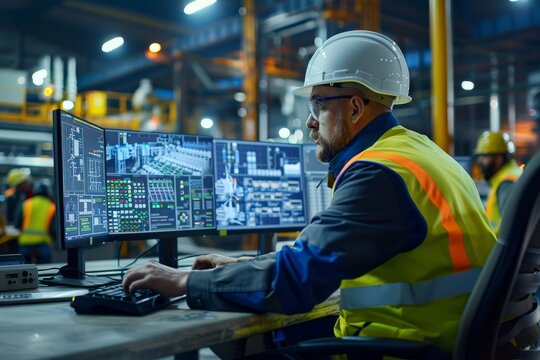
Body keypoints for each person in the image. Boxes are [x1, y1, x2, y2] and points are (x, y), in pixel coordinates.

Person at [123, 30, 496, 356]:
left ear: (354, 107)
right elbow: (323, 257)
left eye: (318, 104)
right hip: (443, 336)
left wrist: (186, 281)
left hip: (411, 346)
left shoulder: (379, 173)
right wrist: (242, 267)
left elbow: (295, 282)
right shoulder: (419, 153)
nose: (309, 121)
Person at [474, 130, 523, 236]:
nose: (480, 162)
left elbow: (512, 229)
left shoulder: (507, 182)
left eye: (484, 156)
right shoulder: (512, 174)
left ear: (499, 158)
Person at [15, 179, 55, 263]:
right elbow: (53, 231)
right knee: (45, 270)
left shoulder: (26, 204)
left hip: (25, 243)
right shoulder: (52, 207)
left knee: (23, 271)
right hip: (43, 244)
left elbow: (17, 225)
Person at [2, 168, 33, 254]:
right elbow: (10, 217)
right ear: (20, 184)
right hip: (14, 233)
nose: (27, 184)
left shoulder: (24, 196)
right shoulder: (12, 198)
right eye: (25, 182)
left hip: (21, 234)